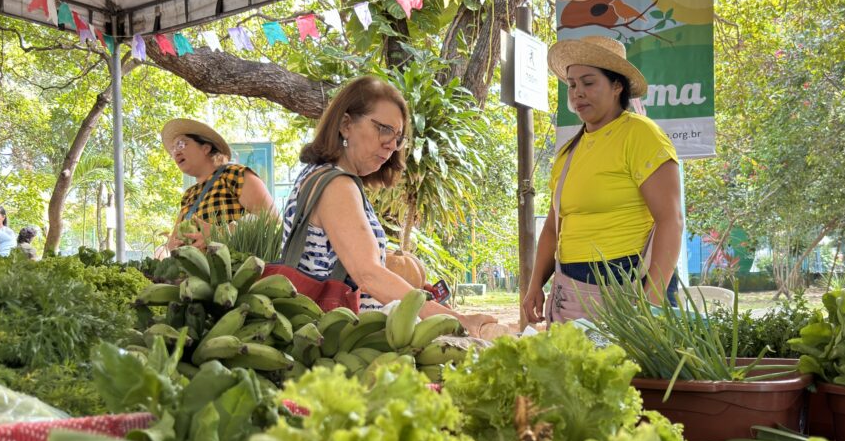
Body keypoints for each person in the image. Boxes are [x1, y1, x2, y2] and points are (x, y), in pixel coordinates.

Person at [283, 75, 497, 337]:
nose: (392, 145)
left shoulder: (320, 175)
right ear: (346, 124)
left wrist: (415, 295)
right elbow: (368, 275)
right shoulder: (337, 185)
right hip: (335, 343)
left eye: (398, 137)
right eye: (383, 129)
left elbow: (349, 267)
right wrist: (457, 320)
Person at [522, 35, 683, 324]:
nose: (577, 93)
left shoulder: (641, 134)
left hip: (631, 282)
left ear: (617, 86)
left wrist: (653, 298)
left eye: (588, 82)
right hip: (571, 288)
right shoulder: (567, 153)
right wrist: (536, 284)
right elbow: (553, 227)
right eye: (572, 85)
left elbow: (671, 220)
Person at [160, 119, 277, 252]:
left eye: (181, 144)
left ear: (206, 148)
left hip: (238, 265)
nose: (175, 152)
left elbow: (271, 217)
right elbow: (173, 242)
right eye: (173, 149)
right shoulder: (189, 195)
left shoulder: (234, 174)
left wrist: (221, 233)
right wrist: (173, 245)